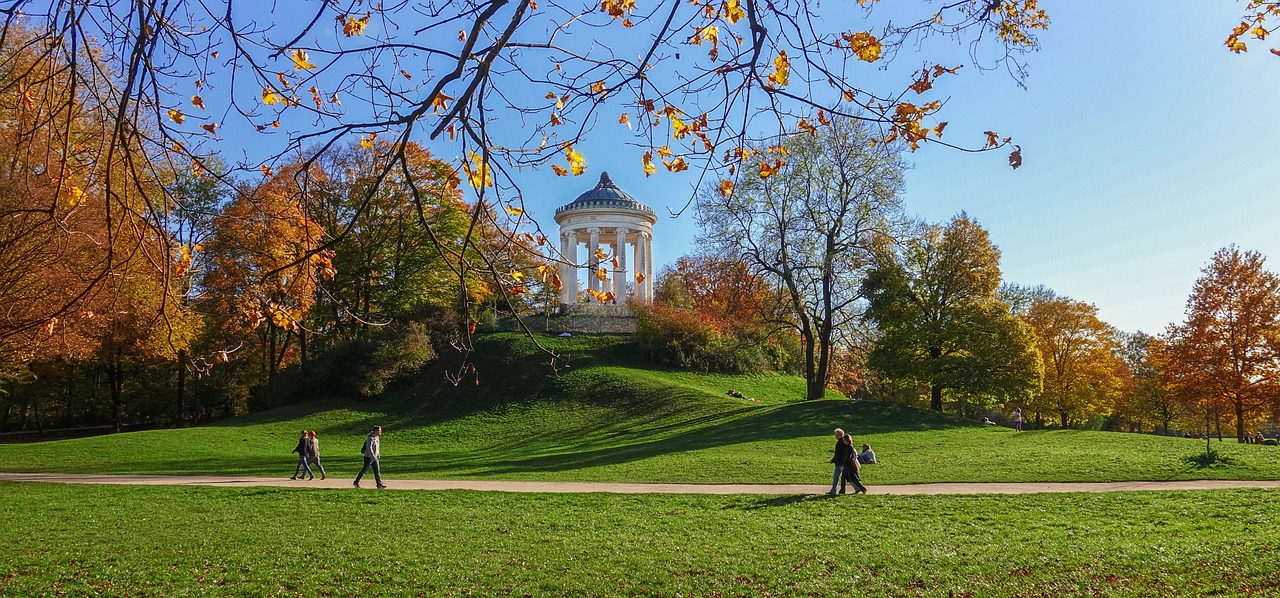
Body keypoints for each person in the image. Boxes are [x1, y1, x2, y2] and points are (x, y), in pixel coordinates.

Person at [354, 425, 385, 489]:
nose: (381, 432)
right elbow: (369, 448)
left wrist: (378, 454)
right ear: (376, 431)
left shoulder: (377, 437)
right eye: (379, 430)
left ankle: (379, 484)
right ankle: (356, 482)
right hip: (368, 457)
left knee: (377, 471)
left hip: (375, 457)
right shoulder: (370, 438)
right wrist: (373, 456)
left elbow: (377, 447)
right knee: (365, 470)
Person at [828, 428, 849, 495]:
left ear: (839, 435)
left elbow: (839, 454)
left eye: (836, 434)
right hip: (840, 463)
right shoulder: (842, 442)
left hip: (840, 463)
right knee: (837, 477)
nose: (835, 436)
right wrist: (833, 460)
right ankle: (833, 491)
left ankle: (859, 488)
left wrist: (834, 460)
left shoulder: (840, 443)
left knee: (838, 477)